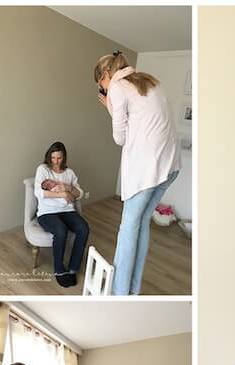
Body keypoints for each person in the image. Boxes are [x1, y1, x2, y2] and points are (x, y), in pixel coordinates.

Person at [94, 51, 181, 295]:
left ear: (106, 75)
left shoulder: (118, 87)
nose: (102, 87)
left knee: (128, 228)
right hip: (169, 166)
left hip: (148, 170)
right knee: (141, 223)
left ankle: (120, 293)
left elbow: (120, 137)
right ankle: (132, 289)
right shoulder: (149, 80)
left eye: (100, 82)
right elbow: (141, 123)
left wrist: (111, 104)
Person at [34, 141, 89, 288]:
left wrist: (69, 188)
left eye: (59, 158)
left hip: (67, 210)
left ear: (64, 157)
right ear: (49, 157)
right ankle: (59, 270)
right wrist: (64, 193)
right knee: (60, 230)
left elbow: (80, 193)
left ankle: (73, 268)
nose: (56, 161)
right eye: (53, 158)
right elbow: (38, 192)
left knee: (83, 228)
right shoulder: (43, 169)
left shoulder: (69, 173)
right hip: (47, 213)